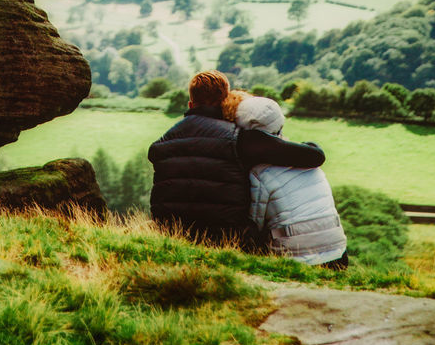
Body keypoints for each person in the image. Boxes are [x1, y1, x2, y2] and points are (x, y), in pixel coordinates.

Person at [147, 70, 325, 247]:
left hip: (170, 233)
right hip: (225, 237)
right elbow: (313, 157)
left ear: (190, 104)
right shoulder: (238, 138)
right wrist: (312, 145)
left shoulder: (162, 143)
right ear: (226, 99)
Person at [227, 92, 348, 269]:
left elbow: (255, 222)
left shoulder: (260, 173)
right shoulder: (310, 162)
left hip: (297, 257)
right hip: (338, 252)